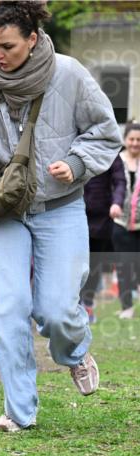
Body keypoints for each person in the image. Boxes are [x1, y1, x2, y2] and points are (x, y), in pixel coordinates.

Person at [0, 0, 120, 432]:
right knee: (6, 309)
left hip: (59, 207)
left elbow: (104, 132)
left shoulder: (70, 74)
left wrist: (76, 164)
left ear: (32, 39)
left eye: (7, 46)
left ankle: (75, 353)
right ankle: (20, 413)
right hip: (2, 208)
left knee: (56, 310)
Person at [80, 155, 126, 322]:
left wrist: (117, 202)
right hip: (75, 214)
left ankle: (87, 304)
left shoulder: (111, 153)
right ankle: (73, 303)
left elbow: (120, 181)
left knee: (95, 265)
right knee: (75, 262)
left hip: (102, 218)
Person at [112, 122, 140, 319]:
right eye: (132, 139)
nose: (135, 143)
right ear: (125, 140)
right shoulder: (116, 161)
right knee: (124, 265)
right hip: (120, 223)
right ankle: (126, 306)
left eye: (139, 140)